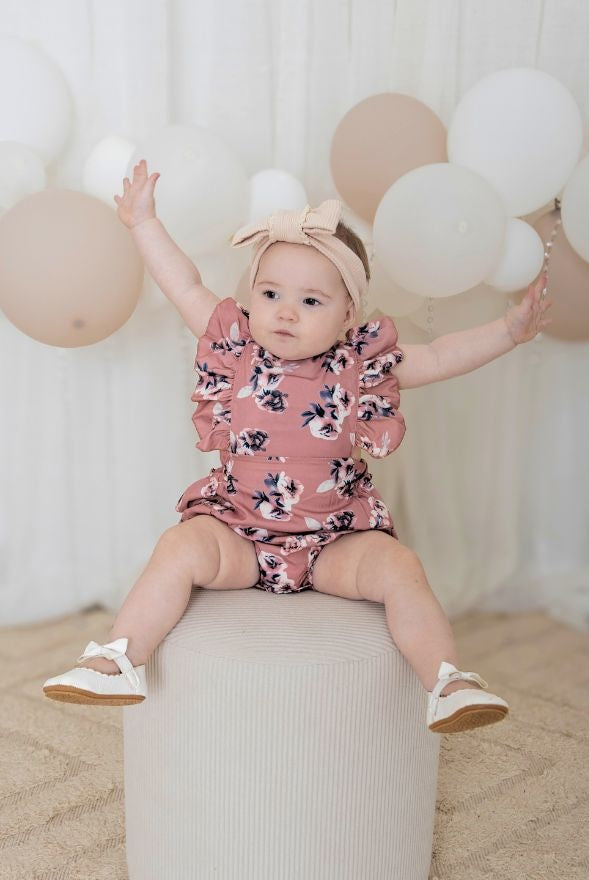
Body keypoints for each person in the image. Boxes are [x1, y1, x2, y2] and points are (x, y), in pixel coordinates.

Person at [43, 159, 553, 733]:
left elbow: (438, 356)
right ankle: (119, 660)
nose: (285, 311)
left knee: (400, 567)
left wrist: (509, 332)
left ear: (348, 314)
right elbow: (184, 284)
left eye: (311, 301)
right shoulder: (236, 347)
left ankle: (447, 681)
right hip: (238, 532)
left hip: (334, 541)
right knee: (178, 546)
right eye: (270, 293)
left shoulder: (360, 363)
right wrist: (144, 224)